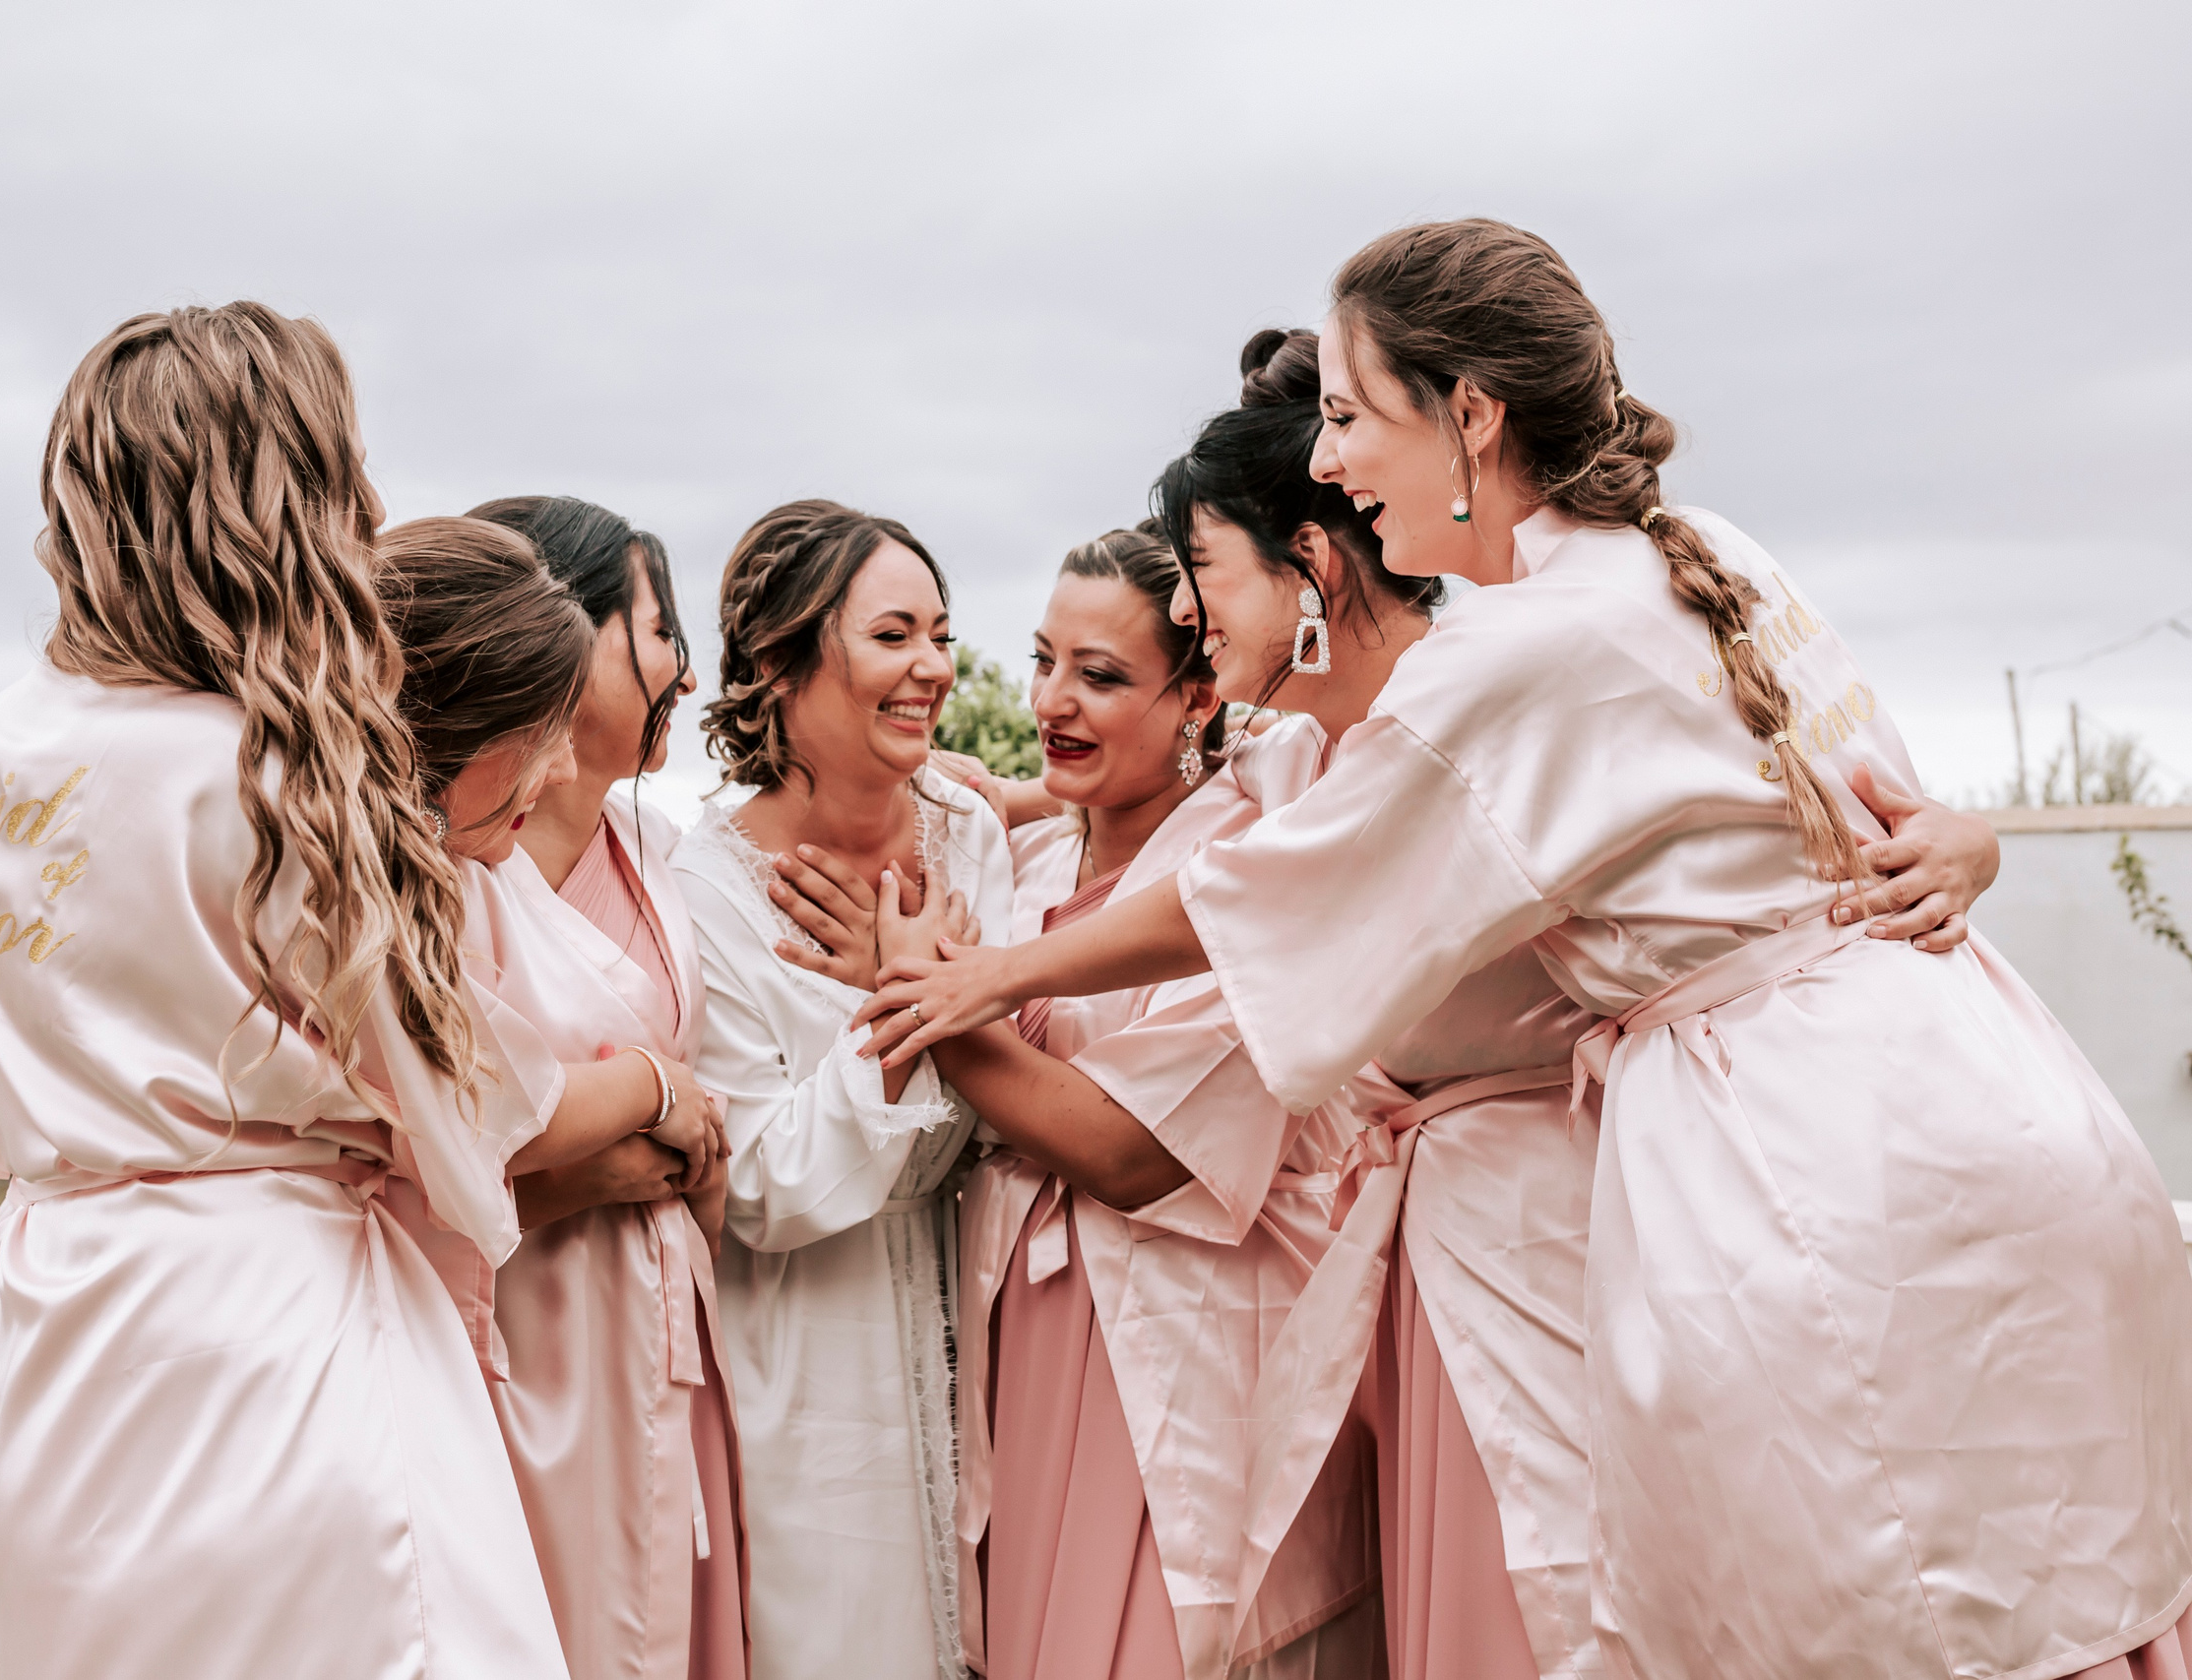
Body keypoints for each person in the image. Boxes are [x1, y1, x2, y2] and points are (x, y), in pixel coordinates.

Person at [860, 221, 2192, 1680]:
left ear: (1472, 418)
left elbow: (1270, 894)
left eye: (1356, 418)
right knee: (2025, 1592)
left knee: (1863, 1606)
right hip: (1978, 1090)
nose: (1331, 460)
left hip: (1801, 1168)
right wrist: (1969, 837)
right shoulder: (1703, 557)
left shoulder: (1515, 649)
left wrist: (989, 973)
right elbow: (1877, 809)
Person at [0, 306, 586, 1679]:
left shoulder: (2, 740)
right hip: (264, 1346)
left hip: (37, 1320)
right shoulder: (287, 769)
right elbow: (460, 1134)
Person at [922, 528, 1402, 1680]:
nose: (1050, 702)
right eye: (1043, 661)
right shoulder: (1020, 877)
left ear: (1196, 696)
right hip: (1024, 1335)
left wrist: (928, 1007)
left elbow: (1136, 1155)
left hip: (1183, 1339)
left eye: (1100, 676)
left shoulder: (1249, 865)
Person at [668, 499, 1014, 1680]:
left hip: (991, 1321)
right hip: (811, 1353)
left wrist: (907, 997)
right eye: (891, 636)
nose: (931, 668)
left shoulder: (971, 835)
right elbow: (757, 1182)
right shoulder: (704, 888)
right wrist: (912, 1011)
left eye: (940, 632)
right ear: (779, 662)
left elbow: (1013, 1080)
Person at [453, 494, 750, 1680]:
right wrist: (625, 1136)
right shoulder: (458, 869)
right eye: (656, 625)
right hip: (520, 1327)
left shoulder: (660, 855)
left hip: (668, 1327)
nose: (681, 663)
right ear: (555, 637)